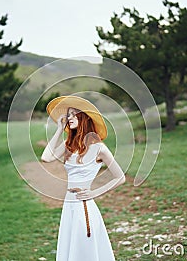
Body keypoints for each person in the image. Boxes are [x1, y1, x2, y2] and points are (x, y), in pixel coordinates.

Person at [41, 96, 125, 261]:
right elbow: (46, 157)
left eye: (73, 114)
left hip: (83, 204)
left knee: (83, 247)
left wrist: (95, 193)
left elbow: (120, 177)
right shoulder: (69, 145)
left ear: (84, 118)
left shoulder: (99, 148)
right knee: (70, 245)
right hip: (69, 203)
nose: (69, 118)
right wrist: (59, 129)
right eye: (68, 115)